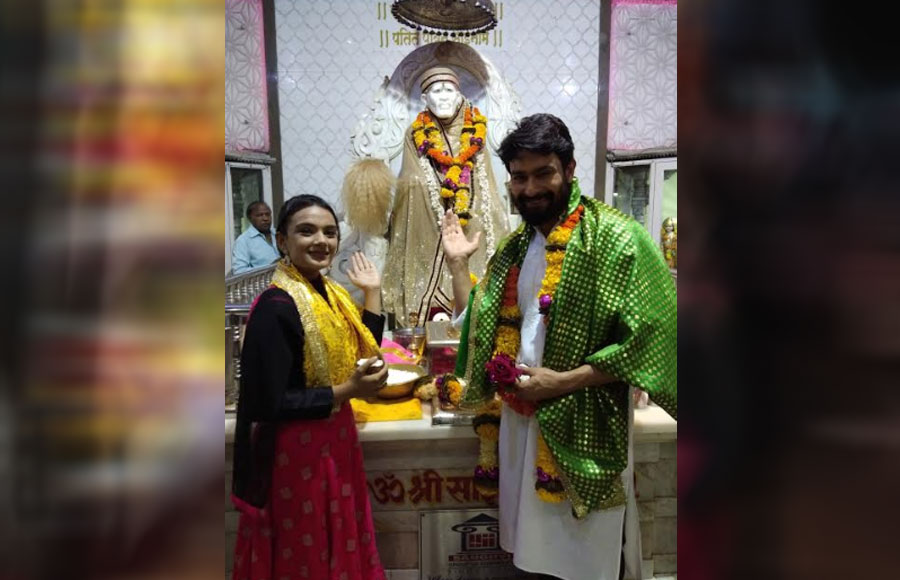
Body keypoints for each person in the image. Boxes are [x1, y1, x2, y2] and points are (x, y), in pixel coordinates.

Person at [441, 114, 677, 580]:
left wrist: (564, 381)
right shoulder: (514, 247)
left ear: (569, 168)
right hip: (519, 426)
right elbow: (479, 327)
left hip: (585, 426)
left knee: (584, 556)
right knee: (530, 556)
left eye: (543, 173)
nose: (530, 189)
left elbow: (654, 340)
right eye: (519, 177)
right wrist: (457, 267)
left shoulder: (617, 238)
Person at [231, 194, 389, 580]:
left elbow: (359, 348)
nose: (321, 240)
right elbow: (267, 402)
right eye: (307, 231)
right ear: (282, 241)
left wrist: (371, 291)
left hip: (333, 439)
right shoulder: (276, 305)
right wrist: (345, 391)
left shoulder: (327, 290)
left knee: (338, 535)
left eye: (329, 232)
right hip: (295, 455)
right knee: (306, 548)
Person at [382, 65, 508, 327]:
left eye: (448, 90)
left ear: (460, 95)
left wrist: (464, 206)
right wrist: (439, 201)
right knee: (418, 203)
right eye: (435, 92)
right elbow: (412, 179)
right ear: (424, 99)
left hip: (470, 213)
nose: (443, 97)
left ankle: (470, 314)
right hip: (428, 216)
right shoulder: (415, 131)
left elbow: (484, 183)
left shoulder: (475, 129)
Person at [231, 201, 280, 273]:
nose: (265, 218)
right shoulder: (243, 241)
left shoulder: (278, 234)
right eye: (260, 215)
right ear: (250, 218)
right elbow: (239, 271)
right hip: (263, 283)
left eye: (268, 214)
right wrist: (269, 268)